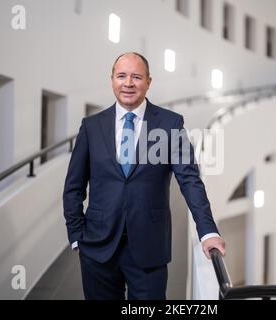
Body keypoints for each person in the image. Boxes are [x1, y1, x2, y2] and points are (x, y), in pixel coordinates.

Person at [63, 52, 225, 300]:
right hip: (97, 248)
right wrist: (76, 237)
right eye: (122, 76)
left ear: (149, 82)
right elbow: (73, 187)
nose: (128, 83)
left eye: (136, 77)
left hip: (149, 248)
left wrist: (208, 231)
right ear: (112, 80)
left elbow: (190, 180)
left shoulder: (170, 124)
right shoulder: (91, 126)